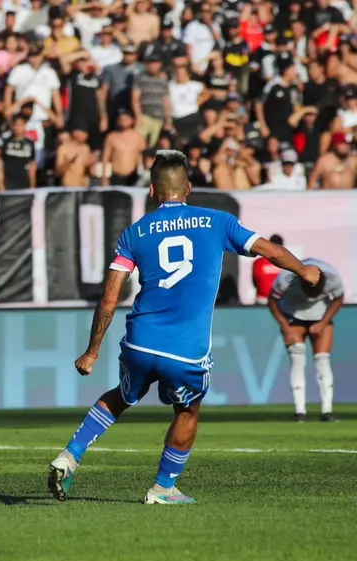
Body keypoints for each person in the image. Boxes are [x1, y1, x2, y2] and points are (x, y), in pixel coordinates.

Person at [47, 150, 320, 505]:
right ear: (189, 187)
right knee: (188, 412)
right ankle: (163, 488)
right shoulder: (217, 222)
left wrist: (92, 350)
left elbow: (109, 298)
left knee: (123, 395)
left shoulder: (134, 233)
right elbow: (271, 252)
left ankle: (70, 454)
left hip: (140, 341)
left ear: (151, 191)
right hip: (185, 350)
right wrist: (305, 271)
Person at [269, 259, 344, 423]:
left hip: (321, 316)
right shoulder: (285, 279)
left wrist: (324, 322)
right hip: (293, 316)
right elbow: (272, 300)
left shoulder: (333, 278)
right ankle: (300, 411)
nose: (311, 296)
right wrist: (285, 326)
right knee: (297, 359)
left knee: (323, 360)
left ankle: (327, 410)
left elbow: (338, 299)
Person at [252, 234, 284, 304]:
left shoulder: (258, 262)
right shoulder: (286, 263)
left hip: (262, 299)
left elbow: (255, 281)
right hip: (279, 299)